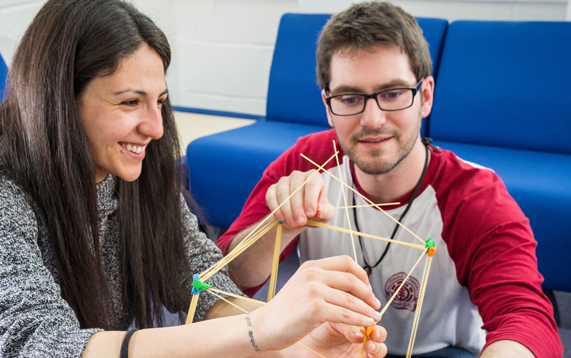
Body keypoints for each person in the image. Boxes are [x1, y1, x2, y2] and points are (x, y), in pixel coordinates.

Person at [0, 0, 389, 357]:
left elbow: (198, 278)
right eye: (131, 101)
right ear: (59, 99)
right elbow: (36, 343)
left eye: (160, 102)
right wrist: (261, 328)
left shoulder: (135, 171)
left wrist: (297, 340)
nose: (156, 128)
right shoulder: (1, 190)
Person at [217, 2, 563, 358]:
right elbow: (225, 279)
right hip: (329, 350)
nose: (373, 118)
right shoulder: (307, 161)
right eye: (350, 98)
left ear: (425, 97)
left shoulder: (473, 196)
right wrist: (279, 226)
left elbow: (525, 317)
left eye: (393, 94)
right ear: (327, 106)